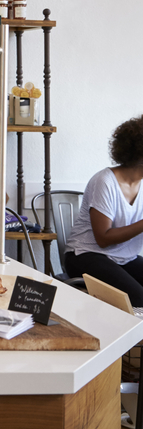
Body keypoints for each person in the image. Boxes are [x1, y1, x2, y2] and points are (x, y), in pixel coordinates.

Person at [66, 115, 143, 306]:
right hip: (85, 255)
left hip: (124, 258)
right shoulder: (105, 181)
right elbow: (103, 239)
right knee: (139, 299)